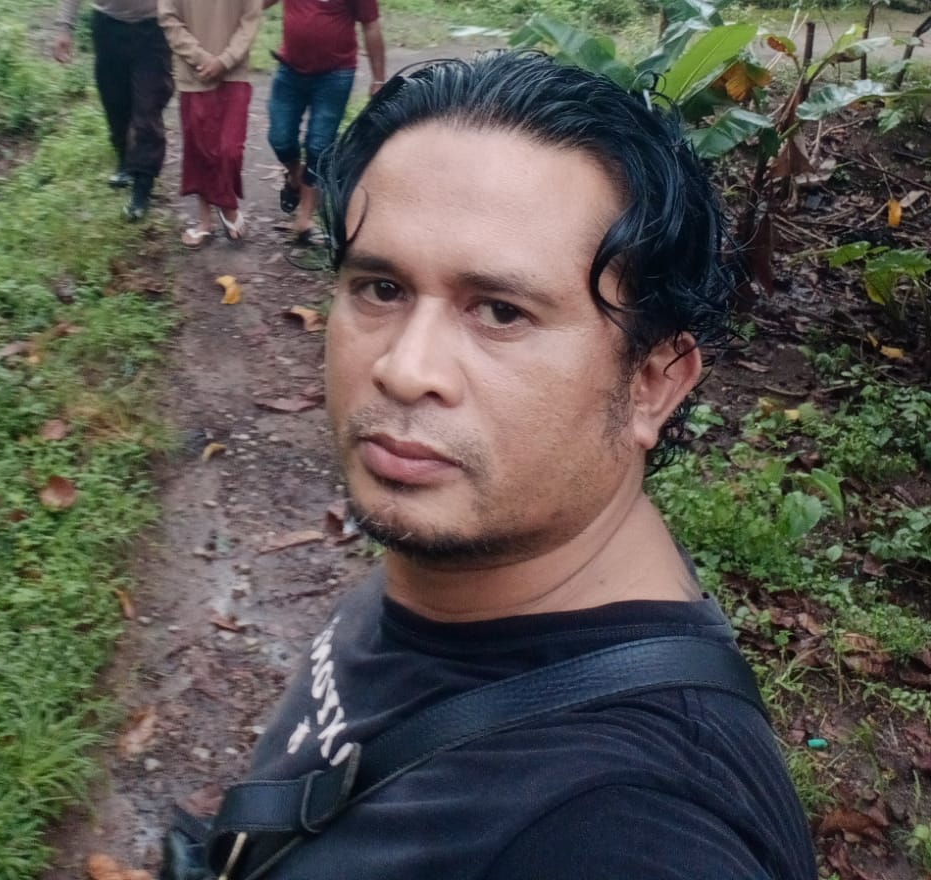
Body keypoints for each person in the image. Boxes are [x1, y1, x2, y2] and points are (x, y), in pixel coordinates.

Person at [197, 52, 818, 880]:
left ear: (653, 383)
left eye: (500, 311)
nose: (405, 369)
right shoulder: (475, 559)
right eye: (381, 289)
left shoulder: (628, 829)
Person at [53, 0, 186, 221]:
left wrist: (189, 35)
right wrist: (64, 27)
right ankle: (125, 161)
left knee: (148, 111)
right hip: (108, 28)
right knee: (115, 105)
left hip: (152, 32)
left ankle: (143, 186)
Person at [264, 0, 385, 243]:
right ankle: (294, 176)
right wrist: (236, 17)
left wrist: (378, 78)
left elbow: (371, 26)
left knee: (319, 145)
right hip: (290, 69)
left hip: (334, 75)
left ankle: (304, 217)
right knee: (280, 138)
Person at [158, 0, 262, 247]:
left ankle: (228, 207)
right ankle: (204, 220)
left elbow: (250, 20)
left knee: (230, 149)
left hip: (234, 75)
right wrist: (201, 58)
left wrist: (225, 60)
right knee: (201, 150)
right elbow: (168, 18)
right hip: (194, 77)